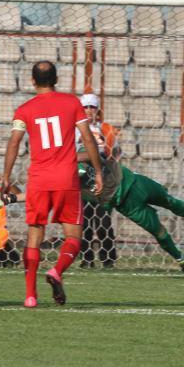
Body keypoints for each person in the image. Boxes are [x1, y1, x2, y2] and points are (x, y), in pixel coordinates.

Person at [2, 61, 104, 308]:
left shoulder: (24, 110)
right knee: (73, 236)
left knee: (35, 234)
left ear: (32, 80)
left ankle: (30, 296)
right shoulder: (71, 103)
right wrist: (98, 171)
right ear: (56, 78)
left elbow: (14, 143)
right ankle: (57, 270)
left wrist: (6, 177)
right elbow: (88, 137)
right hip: (66, 177)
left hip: (39, 179)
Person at [78, 143, 184, 276]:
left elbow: (92, 154)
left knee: (169, 201)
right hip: (126, 204)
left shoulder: (80, 151)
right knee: (158, 231)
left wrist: (71, 159)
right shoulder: (61, 175)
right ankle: (181, 260)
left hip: (133, 181)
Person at [77, 93, 117, 268]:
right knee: (84, 223)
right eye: (85, 107)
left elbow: (113, 154)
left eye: (92, 107)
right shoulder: (74, 129)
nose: (88, 110)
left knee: (103, 222)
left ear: (97, 110)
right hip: (82, 180)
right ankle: (87, 259)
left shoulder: (105, 129)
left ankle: (108, 259)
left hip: (102, 179)